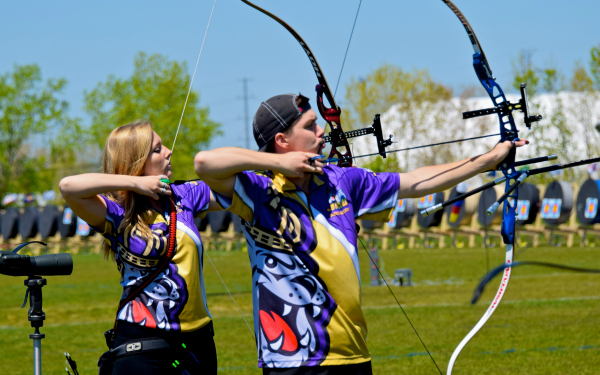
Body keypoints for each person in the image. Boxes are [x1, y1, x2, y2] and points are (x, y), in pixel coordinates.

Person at [193, 93, 527, 375]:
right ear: (282, 141)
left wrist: (488, 160)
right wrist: (279, 165)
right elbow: (205, 162)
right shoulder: (257, 190)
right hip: (289, 356)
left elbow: (414, 181)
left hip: (352, 351)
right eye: (310, 126)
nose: (321, 131)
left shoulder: (342, 180)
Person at [59, 120, 220, 374]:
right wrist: (135, 183)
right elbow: (68, 187)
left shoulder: (184, 195)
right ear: (135, 162)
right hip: (142, 345)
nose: (168, 151)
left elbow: (234, 188)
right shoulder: (115, 211)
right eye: (157, 149)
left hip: (197, 342)